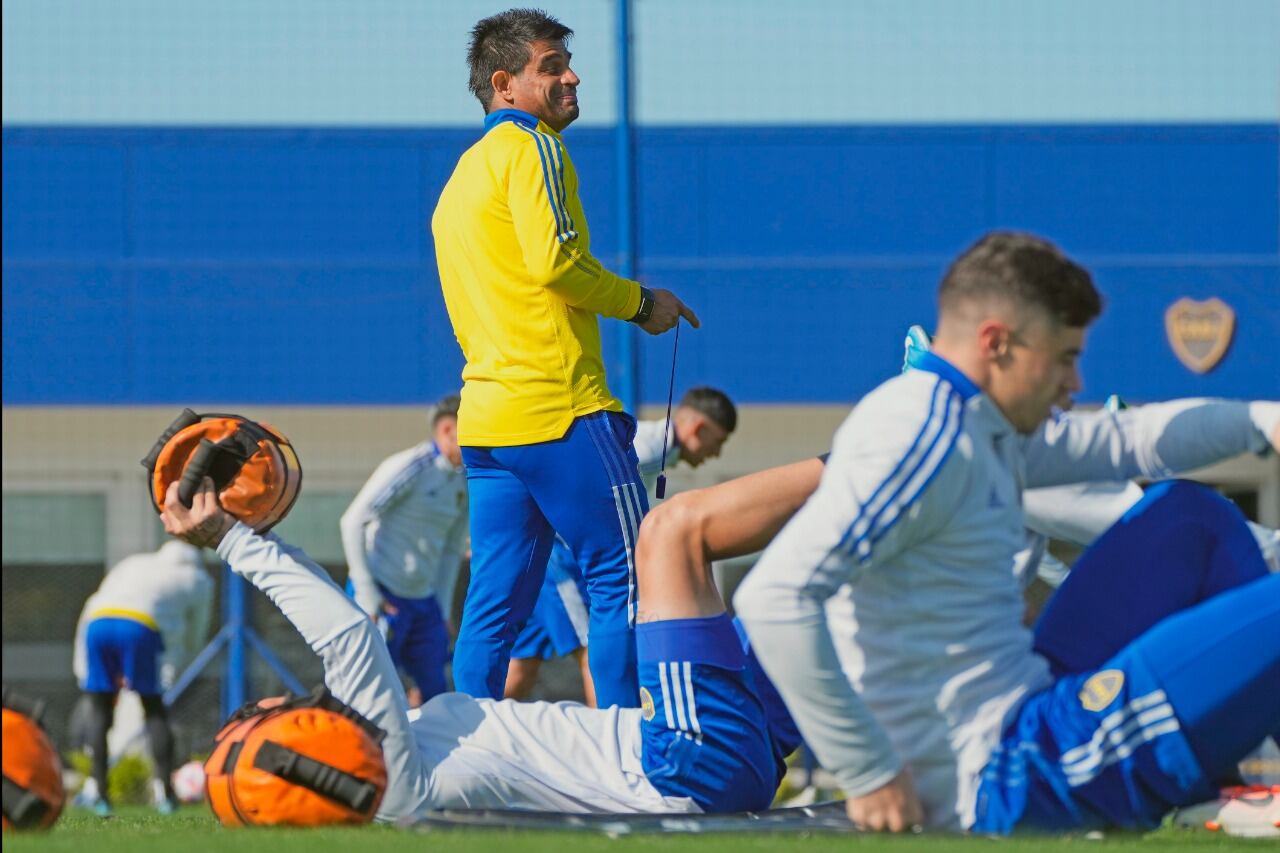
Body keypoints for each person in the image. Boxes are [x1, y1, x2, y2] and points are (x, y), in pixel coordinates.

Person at [734, 231, 1280, 833]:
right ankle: (1212, 789)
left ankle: (1221, 784)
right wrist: (868, 773)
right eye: (1065, 358)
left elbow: (1126, 440)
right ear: (997, 343)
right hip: (1007, 775)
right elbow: (774, 596)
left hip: (1025, 709)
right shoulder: (922, 434)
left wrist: (1264, 420)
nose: (1074, 384)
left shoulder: (977, 422)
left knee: (1188, 517)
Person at [159, 475, 792, 821]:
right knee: (672, 531)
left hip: (713, 757)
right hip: (687, 762)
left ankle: (883, 496)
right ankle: (883, 451)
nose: (270, 701)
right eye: (258, 713)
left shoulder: (384, 775)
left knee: (790, 594)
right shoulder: (381, 772)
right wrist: (232, 540)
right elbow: (348, 636)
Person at [431, 8, 699, 706]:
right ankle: (628, 755)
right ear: (505, 84)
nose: (572, 76)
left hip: (487, 425)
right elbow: (558, 264)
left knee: (492, 608)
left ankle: (462, 762)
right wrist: (644, 304)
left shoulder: (460, 180)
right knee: (629, 572)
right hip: (561, 412)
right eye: (551, 66)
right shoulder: (534, 147)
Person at [505, 387, 738, 702]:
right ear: (699, 428)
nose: (716, 454)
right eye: (718, 443)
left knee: (521, 670)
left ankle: (475, 735)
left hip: (559, 556)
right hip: (564, 560)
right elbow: (583, 480)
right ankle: (607, 744)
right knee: (594, 650)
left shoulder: (659, 449)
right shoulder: (650, 446)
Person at [339, 394, 467, 705]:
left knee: (439, 697)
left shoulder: (466, 479)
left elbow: (452, 550)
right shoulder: (411, 466)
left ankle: (427, 754)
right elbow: (353, 521)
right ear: (449, 430)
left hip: (424, 604)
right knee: (368, 697)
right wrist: (368, 596)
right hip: (383, 598)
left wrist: (442, 606)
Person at [71, 540, 213, 816]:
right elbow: (195, 634)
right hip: (140, 627)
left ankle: (98, 794)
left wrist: (81, 663)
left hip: (97, 623)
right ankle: (166, 795)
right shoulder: (199, 580)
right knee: (153, 708)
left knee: (100, 709)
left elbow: (93, 603)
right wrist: (176, 665)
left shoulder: (133, 562)